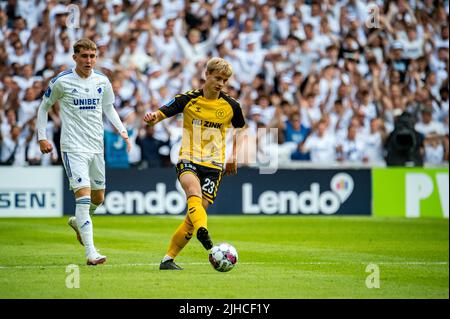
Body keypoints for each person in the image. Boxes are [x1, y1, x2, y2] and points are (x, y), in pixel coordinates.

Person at [144, 57, 245, 270]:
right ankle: (205, 236)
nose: (220, 83)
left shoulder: (231, 106)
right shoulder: (187, 99)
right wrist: (153, 117)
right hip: (188, 158)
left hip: (214, 166)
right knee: (193, 194)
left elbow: (240, 130)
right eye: (217, 78)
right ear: (206, 75)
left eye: (225, 80)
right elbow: (160, 114)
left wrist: (234, 155)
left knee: (193, 216)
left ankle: (168, 260)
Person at [36, 38, 131, 265]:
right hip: (73, 147)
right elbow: (44, 107)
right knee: (83, 197)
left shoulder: (102, 81)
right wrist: (42, 138)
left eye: (92, 56)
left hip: (96, 147)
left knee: (98, 198)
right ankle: (91, 253)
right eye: (85, 56)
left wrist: (122, 130)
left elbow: (108, 107)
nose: (89, 61)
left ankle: (78, 222)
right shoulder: (62, 82)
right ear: (75, 58)